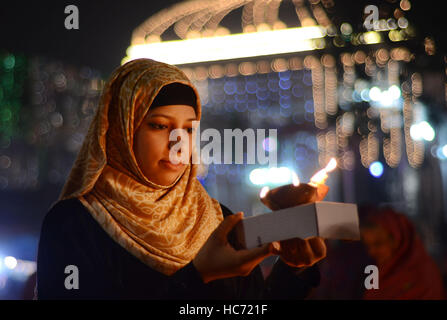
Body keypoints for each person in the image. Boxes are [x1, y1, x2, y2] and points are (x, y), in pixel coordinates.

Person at [36, 58, 326, 299]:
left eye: (188, 129)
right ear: (122, 131)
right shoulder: (75, 224)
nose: (178, 143)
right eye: (160, 125)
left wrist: (293, 267)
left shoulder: (216, 220)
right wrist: (199, 275)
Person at [361, 206, 445, 300]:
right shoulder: (382, 271)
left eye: (378, 244)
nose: (371, 252)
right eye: (368, 246)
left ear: (399, 241)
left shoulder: (423, 276)